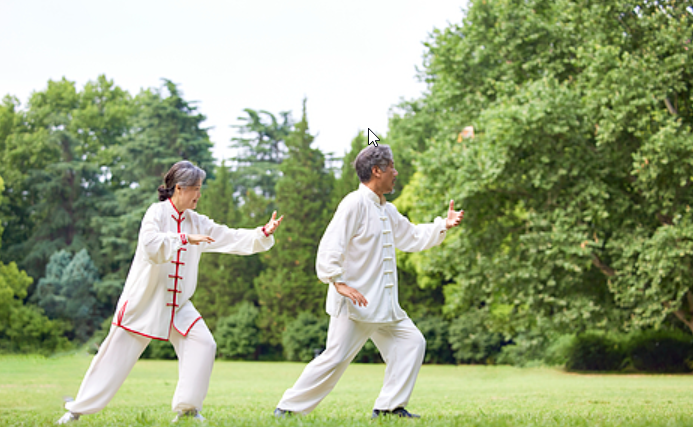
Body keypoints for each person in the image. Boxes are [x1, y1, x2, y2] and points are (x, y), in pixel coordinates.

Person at [57, 160, 284, 424]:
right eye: (196, 188)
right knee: (114, 356)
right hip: (145, 302)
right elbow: (151, 246)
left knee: (204, 344)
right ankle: (76, 410)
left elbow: (228, 236)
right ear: (179, 188)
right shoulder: (156, 213)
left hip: (178, 305)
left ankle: (187, 410)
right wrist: (185, 239)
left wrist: (262, 233)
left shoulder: (196, 221)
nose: (199, 194)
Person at [274, 145, 464, 419]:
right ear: (377, 171)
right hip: (355, 304)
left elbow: (411, 236)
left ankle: (388, 409)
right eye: (392, 167)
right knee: (335, 358)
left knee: (411, 343)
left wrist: (442, 225)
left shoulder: (387, 210)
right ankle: (288, 409)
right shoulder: (354, 203)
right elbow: (331, 245)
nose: (396, 173)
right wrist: (337, 282)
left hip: (385, 306)